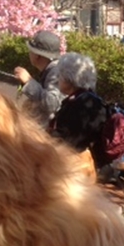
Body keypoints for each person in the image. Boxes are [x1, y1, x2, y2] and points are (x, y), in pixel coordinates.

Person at [50, 52, 107, 180]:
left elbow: (70, 143)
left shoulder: (84, 105)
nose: (58, 79)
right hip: (75, 163)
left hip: (80, 169)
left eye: (60, 76)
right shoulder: (83, 99)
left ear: (69, 79)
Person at [14, 30, 64, 126]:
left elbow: (52, 103)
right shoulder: (52, 69)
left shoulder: (56, 72)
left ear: (37, 55)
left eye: (31, 50)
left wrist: (28, 82)